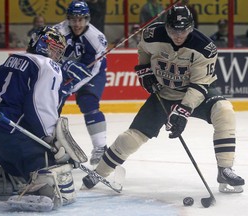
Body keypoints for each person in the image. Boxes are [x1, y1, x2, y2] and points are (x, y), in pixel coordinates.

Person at [82, 6, 245, 194]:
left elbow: (199, 86)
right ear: (166, 27)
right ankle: (100, 172)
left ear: (191, 27)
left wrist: (183, 112)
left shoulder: (205, 48)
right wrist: (144, 71)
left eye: (183, 30)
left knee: (224, 110)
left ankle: (225, 169)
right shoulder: (151, 34)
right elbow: (143, 51)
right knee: (131, 138)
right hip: (164, 93)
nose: (178, 35)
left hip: (194, 94)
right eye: (173, 30)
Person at [0, 26, 91, 211]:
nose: (56, 55)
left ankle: (6, 175)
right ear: (42, 44)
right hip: (18, 143)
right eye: (54, 48)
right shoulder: (48, 66)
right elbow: (40, 106)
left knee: (20, 159)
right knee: (57, 163)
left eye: (59, 51)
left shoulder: (12, 59)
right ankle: (40, 186)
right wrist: (51, 139)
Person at [53, 0, 108, 166]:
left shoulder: (96, 38)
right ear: (68, 18)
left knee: (88, 101)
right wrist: (64, 72)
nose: (77, 24)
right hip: (62, 72)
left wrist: (71, 87)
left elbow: (92, 70)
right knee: (52, 107)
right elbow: (48, 57)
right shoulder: (57, 32)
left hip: (90, 74)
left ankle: (100, 148)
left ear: (87, 19)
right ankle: (53, 146)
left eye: (81, 19)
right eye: (73, 19)